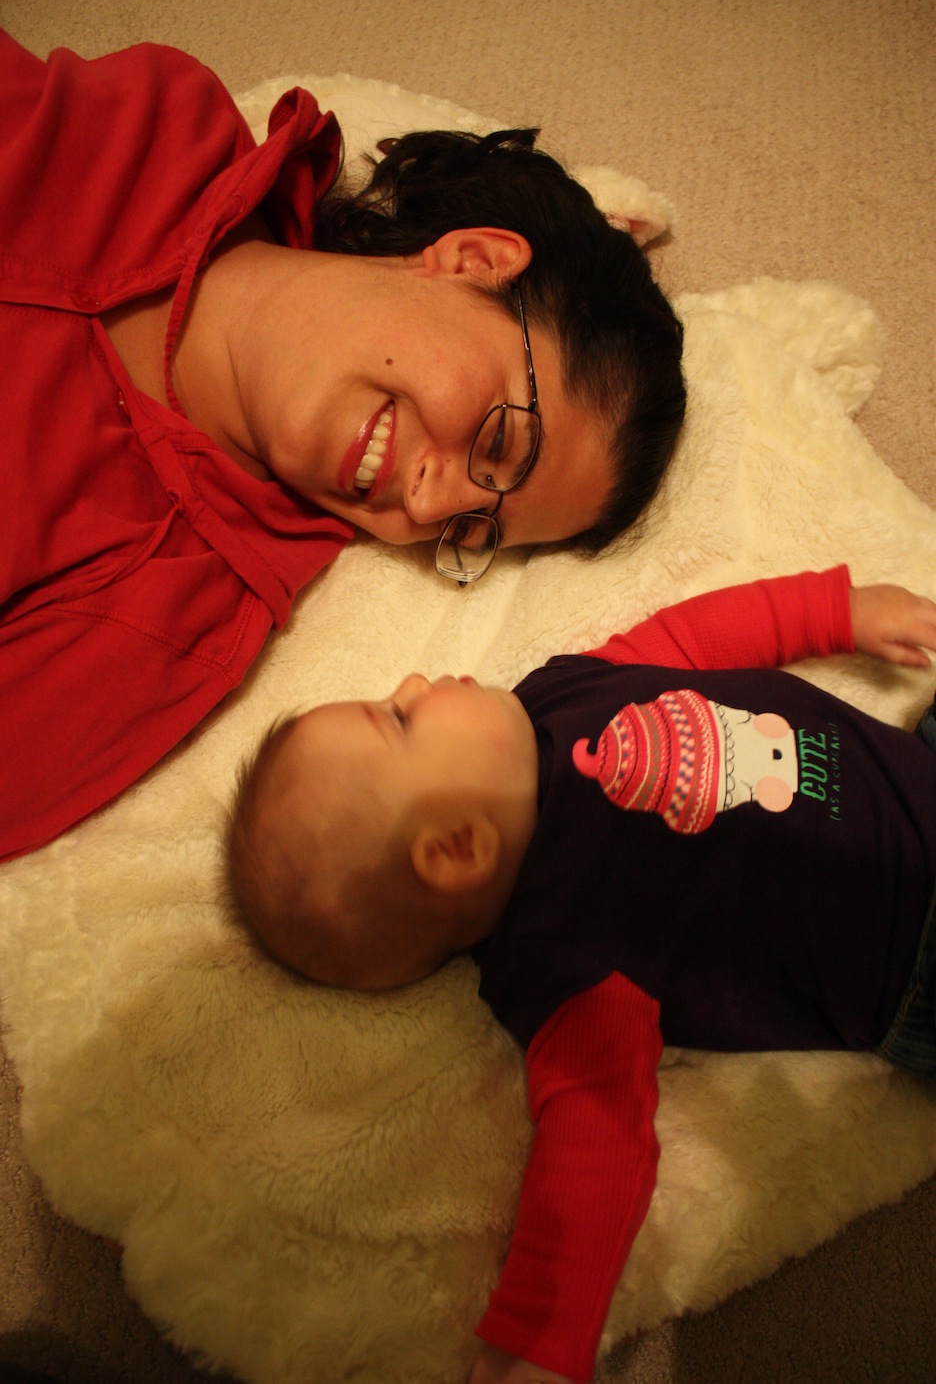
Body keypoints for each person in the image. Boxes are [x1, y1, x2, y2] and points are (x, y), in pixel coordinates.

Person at [224, 564, 936, 1384]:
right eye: (400, 717)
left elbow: (690, 638)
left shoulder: (553, 696)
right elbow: (592, 1142)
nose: (415, 679)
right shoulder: (558, 961)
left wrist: (835, 610)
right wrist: (539, 1335)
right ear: (456, 848)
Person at [0, 30, 686, 862]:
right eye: (499, 439)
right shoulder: (157, 130)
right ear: (472, 260)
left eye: (468, 530)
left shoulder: (172, 611)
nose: (427, 505)